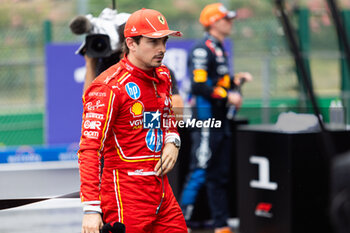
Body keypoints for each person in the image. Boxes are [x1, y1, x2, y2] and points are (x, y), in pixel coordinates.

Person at [78, 8, 187, 233]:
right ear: (132, 43)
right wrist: (91, 208)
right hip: (125, 196)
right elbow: (89, 148)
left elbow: (167, 115)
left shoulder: (163, 75)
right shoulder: (108, 87)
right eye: (153, 42)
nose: (162, 49)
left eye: (164, 41)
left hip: (162, 191)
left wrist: (172, 140)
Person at [179, 3, 252, 233]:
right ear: (213, 22)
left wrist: (236, 80)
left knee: (219, 175)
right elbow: (199, 86)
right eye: (226, 19)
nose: (230, 22)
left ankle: (221, 225)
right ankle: (180, 224)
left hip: (222, 122)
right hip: (207, 122)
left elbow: (219, 82)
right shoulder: (202, 49)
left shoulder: (219, 47)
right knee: (199, 171)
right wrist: (227, 95)